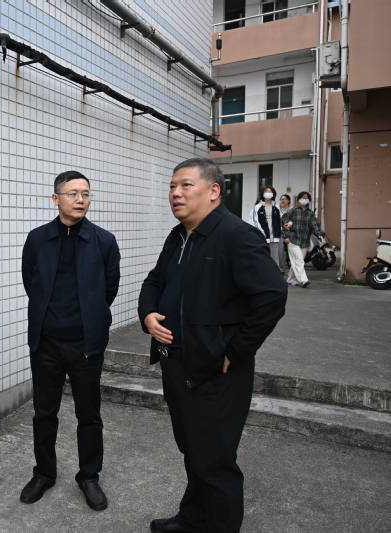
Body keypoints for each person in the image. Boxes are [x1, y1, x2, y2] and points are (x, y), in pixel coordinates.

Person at [138, 158, 287, 533]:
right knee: (194, 451)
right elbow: (154, 281)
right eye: (172, 186)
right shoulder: (178, 236)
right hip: (177, 365)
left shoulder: (236, 236)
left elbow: (272, 295)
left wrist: (236, 350)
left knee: (215, 463)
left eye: (186, 185)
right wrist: (148, 314)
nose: (176, 193)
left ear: (214, 191)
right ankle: (193, 518)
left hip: (215, 371)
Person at [19, 171, 121, 511]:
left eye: (86, 193)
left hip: (86, 344)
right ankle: (44, 473)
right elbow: (31, 283)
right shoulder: (37, 239)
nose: (81, 199)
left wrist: (89, 318)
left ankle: (89, 476)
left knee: (89, 414)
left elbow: (108, 289)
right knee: (44, 413)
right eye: (73, 193)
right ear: (56, 198)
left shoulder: (103, 241)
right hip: (46, 343)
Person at [281, 191, 323, 288]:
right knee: (299, 260)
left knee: (298, 261)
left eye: (306, 198)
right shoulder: (293, 211)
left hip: (304, 240)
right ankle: (303, 280)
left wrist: (319, 234)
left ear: (309, 200)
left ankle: (291, 279)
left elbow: (314, 225)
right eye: (302, 198)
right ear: (298, 199)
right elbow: (284, 221)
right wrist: (286, 236)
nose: (304, 199)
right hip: (293, 239)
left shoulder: (310, 213)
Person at [249, 185, 283, 274]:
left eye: (270, 192)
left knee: (275, 258)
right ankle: (263, 274)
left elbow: (281, 220)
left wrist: (282, 230)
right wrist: (261, 231)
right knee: (263, 256)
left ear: (273, 194)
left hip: (274, 237)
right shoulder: (258, 207)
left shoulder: (276, 207)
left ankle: (275, 275)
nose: (268, 193)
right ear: (262, 194)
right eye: (266, 192)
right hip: (263, 236)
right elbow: (254, 221)